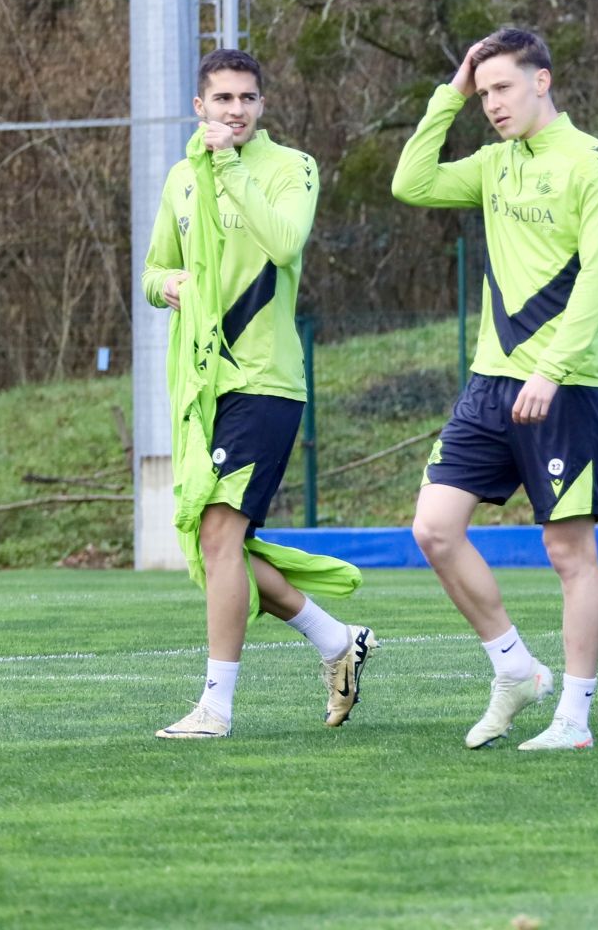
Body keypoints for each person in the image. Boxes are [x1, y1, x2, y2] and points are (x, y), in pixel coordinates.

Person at [393, 27, 598, 752]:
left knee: (569, 553)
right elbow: (412, 182)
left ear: (542, 81)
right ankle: (516, 668)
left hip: (564, 388)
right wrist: (450, 93)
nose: (491, 104)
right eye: (484, 91)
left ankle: (575, 718)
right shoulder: (494, 165)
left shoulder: (596, 164)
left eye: (503, 88)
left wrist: (550, 370)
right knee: (433, 528)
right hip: (489, 383)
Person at [144, 48, 372, 739]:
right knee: (218, 548)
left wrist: (234, 170)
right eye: (222, 99)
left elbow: (284, 242)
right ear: (200, 106)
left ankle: (216, 707)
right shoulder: (181, 179)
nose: (235, 110)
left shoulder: (289, 168)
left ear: (262, 106)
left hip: (266, 381)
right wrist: (168, 286)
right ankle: (336, 641)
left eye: (247, 99)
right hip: (203, 387)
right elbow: (155, 269)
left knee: (219, 534)